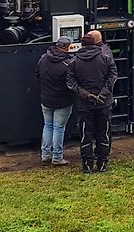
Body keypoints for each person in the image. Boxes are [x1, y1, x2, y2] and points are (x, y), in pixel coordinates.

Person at [67, 32, 117, 173]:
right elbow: (112, 77)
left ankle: (87, 165)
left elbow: (71, 83)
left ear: (82, 45)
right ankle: (102, 164)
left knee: (85, 134)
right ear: (95, 43)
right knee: (104, 133)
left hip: (84, 105)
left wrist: (86, 95)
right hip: (104, 103)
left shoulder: (74, 62)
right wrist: (103, 94)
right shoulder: (105, 58)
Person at [36, 35, 74, 166]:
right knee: (58, 128)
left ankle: (45, 154)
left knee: (48, 126)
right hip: (62, 101)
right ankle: (57, 157)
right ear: (67, 48)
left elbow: (37, 76)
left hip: (46, 98)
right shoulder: (67, 64)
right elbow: (71, 83)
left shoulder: (43, 58)